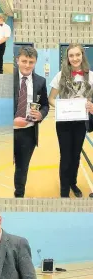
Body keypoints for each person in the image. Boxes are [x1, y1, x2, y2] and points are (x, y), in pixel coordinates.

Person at [48, 44, 93, 197]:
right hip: (64, 122)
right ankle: (64, 190)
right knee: (66, 156)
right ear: (67, 58)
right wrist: (61, 106)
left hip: (81, 122)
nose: (74, 58)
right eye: (71, 55)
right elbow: (51, 98)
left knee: (76, 156)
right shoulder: (60, 75)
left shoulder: (91, 76)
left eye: (77, 55)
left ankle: (73, 183)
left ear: (82, 56)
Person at [14, 47, 49, 198]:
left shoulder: (41, 81)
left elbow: (46, 104)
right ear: (17, 60)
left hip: (28, 133)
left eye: (31, 62)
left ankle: (19, 194)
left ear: (35, 62)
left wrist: (41, 114)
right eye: (24, 61)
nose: (27, 65)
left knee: (22, 168)